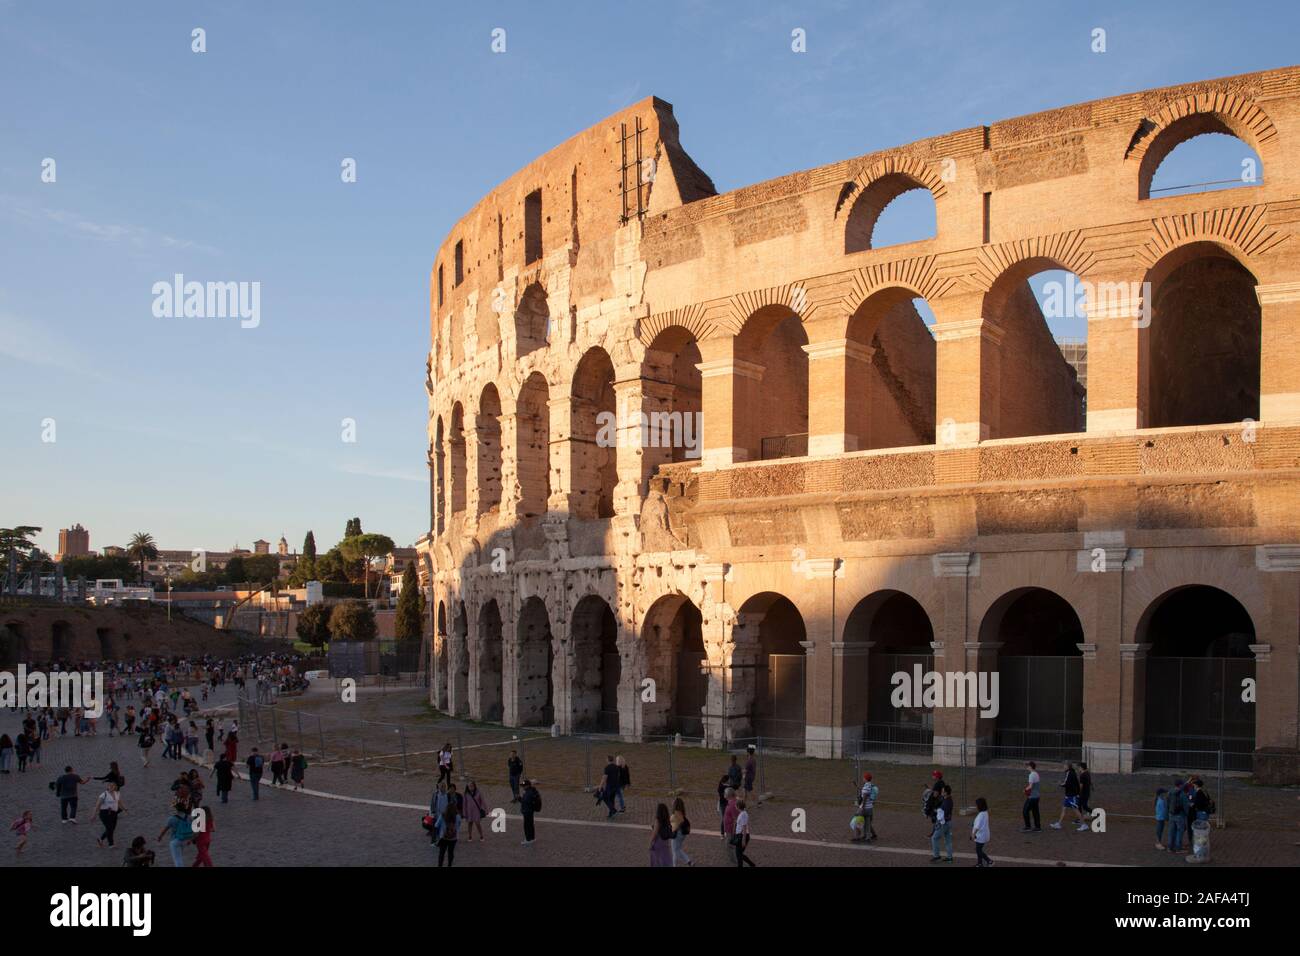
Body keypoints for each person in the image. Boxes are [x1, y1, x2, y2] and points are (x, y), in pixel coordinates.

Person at [1050, 762, 1089, 832]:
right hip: (1069, 795)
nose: (1063, 767)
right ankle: (1059, 824)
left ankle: (1084, 825)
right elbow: (1070, 783)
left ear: (1068, 766)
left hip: (1072, 795)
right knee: (1064, 809)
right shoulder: (1071, 772)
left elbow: (1066, 783)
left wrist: (1060, 784)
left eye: (1064, 766)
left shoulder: (1069, 773)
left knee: (1076, 810)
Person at [94, 782, 125, 848]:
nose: (111, 787)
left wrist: (124, 808)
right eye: (110, 786)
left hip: (114, 813)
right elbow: (97, 805)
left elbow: (119, 802)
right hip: (104, 814)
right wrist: (94, 814)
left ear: (115, 787)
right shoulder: (104, 794)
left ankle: (101, 839)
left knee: (112, 828)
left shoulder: (117, 793)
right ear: (108, 787)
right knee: (110, 828)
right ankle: (111, 844)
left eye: (113, 786)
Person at [930, 783, 954, 863]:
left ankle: (937, 856)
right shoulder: (948, 800)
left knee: (934, 838)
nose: (941, 792)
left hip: (943, 824)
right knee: (948, 840)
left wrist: (937, 811)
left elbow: (944, 814)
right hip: (948, 822)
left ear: (946, 792)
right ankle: (949, 857)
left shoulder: (947, 801)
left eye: (943, 791)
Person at [1167, 777, 1188, 853]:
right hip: (1180, 815)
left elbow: (1168, 803)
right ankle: (1178, 848)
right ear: (1180, 785)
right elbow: (1185, 806)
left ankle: (1169, 847)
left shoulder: (1170, 792)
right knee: (1179, 831)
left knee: (1171, 831)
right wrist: (1187, 813)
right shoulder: (1182, 794)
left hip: (1171, 814)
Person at [437, 798, 460, 867]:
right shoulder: (457, 816)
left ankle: (440, 865)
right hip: (453, 838)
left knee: (442, 853)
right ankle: (449, 865)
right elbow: (458, 825)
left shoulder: (442, 815)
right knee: (451, 853)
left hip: (443, 837)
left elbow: (436, 825)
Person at [732, 799, 756, 867]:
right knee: (739, 854)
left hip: (742, 836)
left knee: (738, 854)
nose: (735, 806)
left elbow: (744, 827)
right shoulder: (743, 813)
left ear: (738, 806)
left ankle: (750, 864)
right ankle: (751, 864)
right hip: (741, 835)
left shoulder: (743, 814)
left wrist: (743, 840)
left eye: (736, 805)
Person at [649, 803, 674, 867]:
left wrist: (651, 841)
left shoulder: (658, 820)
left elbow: (655, 833)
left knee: (657, 859)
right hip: (665, 842)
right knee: (666, 858)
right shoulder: (667, 819)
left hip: (659, 842)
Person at [670, 797, 692, 866]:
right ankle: (689, 861)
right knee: (678, 849)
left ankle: (674, 865)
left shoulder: (676, 813)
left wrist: (673, 830)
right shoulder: (681, 812)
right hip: (682, 834)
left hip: (677, 834)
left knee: (675, 851)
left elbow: (679, 823)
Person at [971, 796, 993, 867]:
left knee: (978, 850)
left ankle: (989, 861)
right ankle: (980, 863)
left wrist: (973, 834)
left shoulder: (981, 815)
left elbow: (977, 826)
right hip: (983, 835)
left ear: (979, 806)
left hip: (980, 836)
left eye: (977, 805)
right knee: (978, 849)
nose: (976, 806)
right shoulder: (985, 813)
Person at [1021, 761, 1042, 832]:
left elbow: (1030, 786)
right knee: (1035, 811)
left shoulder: (1031, 775)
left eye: (1027, 766)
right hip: (1037, 796)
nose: (1026, 767)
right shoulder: (1036, 774)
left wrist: (1025, 790)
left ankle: (1028, 826)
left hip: (1032, 797)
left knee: (1025, 811)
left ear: (1030, 767)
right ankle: (1038, 827)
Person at [858, 772, 879, 842]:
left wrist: (862, 807)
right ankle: (869, 836)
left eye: (863, 777)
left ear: (865, 779)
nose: (862, 778)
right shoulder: (871, 785)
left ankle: (865, 837)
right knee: (867, 823)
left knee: (859, 821)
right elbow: (865, 792)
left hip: (865, 807)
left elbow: (865, 796)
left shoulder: (866, 786)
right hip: (870, 807)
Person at [520, 778, 541, 846]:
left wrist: (520, 799)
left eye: (524, 786)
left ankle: (528, 839)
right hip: (530, 811)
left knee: (527, 826)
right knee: (531, 825)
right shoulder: (531, 791)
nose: (523, 787)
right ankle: (532, 838)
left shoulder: (528, 793)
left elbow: (525, 802)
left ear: (528, 786)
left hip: (527, 811)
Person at [600, 754, 620, 819]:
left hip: (610, 786)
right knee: (612, 799)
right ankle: (611, 813)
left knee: (605, 797)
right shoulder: (616, 767)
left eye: (606, 759)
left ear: (608, 760)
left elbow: (604, 777)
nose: (606, 760)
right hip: (616, 785)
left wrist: (600, 786)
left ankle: (613, 810)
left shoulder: (607, 767)